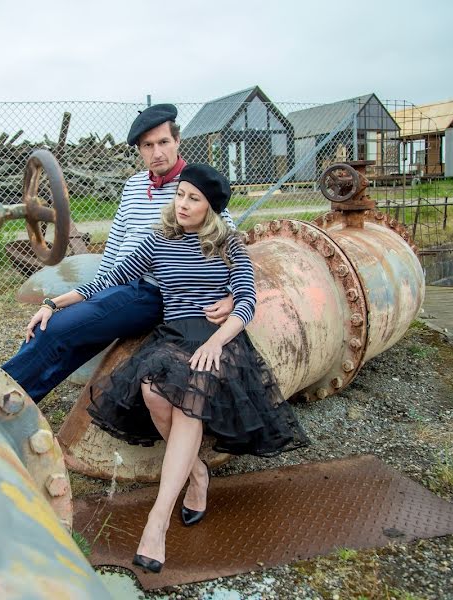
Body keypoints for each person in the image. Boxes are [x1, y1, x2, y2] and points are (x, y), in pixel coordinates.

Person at [30, 164, 308, 573]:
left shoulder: (229, 243)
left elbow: (248, 300)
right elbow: (109, 279)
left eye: (193, 199)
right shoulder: (160, 239)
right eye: (180, 194)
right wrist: (54, 303)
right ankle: (196, 474)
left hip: (218, 341)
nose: (182, 204)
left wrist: (218, 338)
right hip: (174, 336)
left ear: (211, 208)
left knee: (190, 401)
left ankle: (156, 524)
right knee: (152, 392)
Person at [2, 104, 235, 402]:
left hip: (153, 291)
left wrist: (230, 295)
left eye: (164, 142)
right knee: (72, 338)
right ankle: (17, 402)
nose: (157, 152)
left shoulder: (194, 187)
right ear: (139, 150)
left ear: (177, 141)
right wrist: (96, 293)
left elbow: (230, 244)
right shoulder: (134, 186)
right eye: (148, 145)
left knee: (55, 330)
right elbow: (114, 245)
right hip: (121, 283)